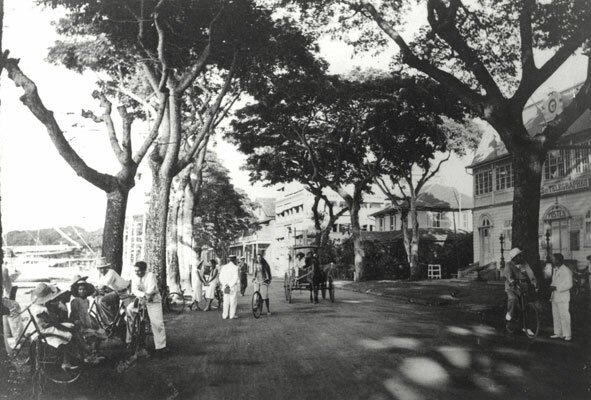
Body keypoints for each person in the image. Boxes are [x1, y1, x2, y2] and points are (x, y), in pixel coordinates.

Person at [29, 283, 100, 371]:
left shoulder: (38, 306)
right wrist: (66, 328)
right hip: (45, 329)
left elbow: (53, 321)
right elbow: (54, 323)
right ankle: (68, 360)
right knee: (68, 334)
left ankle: (84, 352)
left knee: (73, 328)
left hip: (48, 326)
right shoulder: (40, 310)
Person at [126, 261, 167, 355]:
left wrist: (146, 296)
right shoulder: (135, 276)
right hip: (141, 299)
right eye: (136, 271)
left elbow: (152, 289)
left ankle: (161, 347)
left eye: (139, 271)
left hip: (153, 301)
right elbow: (134, 290)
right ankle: (132, 336)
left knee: (157, 323)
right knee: (129, 309)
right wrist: (143, 295)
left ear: (144, 270)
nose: (137, 273)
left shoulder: (150, 276)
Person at [69, 275, 107, 344]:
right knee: (92, 333)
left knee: (101, 331)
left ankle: (95, 347)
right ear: (77, 291)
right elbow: (75, 315)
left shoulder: (87, 301)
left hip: (86, 322)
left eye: (84, 289)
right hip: (79, 324)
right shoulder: (75, 301)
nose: (82, 291)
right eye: (80, 290)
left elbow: (86, 314)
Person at [504, 247, 537, 323]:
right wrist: (512, 281)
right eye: (518, 256)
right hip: (512, 288)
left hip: (523, 286)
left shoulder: (524, 263)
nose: (520, 257)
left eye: (520, 255)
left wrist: (534, 283)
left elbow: (530, 274)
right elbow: (509, 276)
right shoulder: (508, 265)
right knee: (513, 299)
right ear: (514, 258)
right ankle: (509, 313)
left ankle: (524, 325)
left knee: (525, 305)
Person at [550, 253, 573, 341]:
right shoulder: (556, 269)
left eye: (553, 259)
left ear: (558, 260)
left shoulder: (566, 270)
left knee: (564, 316)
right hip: (555, 296)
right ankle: (558, 333)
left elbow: (569, 284)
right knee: (556, 315)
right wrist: (552, 286)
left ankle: (567, 334)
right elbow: (554, 282)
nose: (552, 260)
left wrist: (556, 287)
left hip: (563, 297)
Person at [2, 265, 24, 343]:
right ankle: (19, 337)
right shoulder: (3, 269)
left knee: (7, 305)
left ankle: (7, 332)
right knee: (14, 306)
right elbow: (8, 288)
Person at [219, 255, 240, 319]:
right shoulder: (236, 267)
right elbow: (235, 278)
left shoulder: (224, 267)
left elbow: (220, 277)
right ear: (235, 260)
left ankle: (225, 315)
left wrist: (225, 284)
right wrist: (230, 285)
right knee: (233, 301)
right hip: (232, 287)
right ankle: (232, 315)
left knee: (225, 301)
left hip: (225, 287)